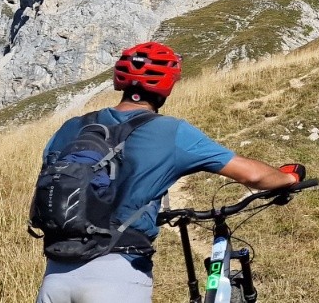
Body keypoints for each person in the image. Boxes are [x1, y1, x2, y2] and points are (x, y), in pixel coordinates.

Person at [35, 41, 303, 303]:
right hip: (117, 276)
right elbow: (252, 176)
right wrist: (289, 177)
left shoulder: (71, 127)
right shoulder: (170, 132)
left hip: (56, 274)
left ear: (120, 81)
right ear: (167, 86)